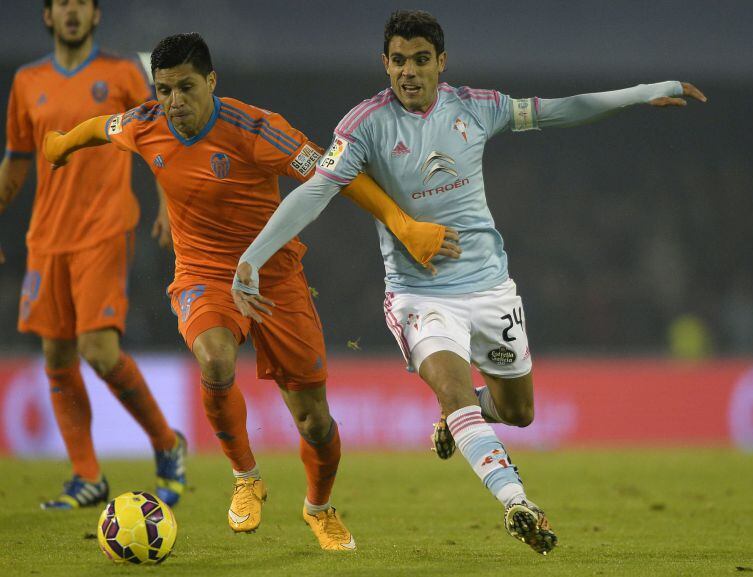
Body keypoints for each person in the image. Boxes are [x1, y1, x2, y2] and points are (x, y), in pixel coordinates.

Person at [230, 9, 707, 555]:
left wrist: (645, 92)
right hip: (418, 294)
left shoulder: (476, 108)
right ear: (384, 64)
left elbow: (559, 111)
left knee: (519, 412)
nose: (408, 71)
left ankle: (464, 416)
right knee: (452, 390)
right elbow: (315, 191)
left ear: (441, 63)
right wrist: (253, 256)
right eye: (398, 61)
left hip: (490, 288)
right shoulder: (364, 125)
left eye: (420, 60)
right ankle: (517, 501)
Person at [42, 32, 457, 550]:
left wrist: (402, 223)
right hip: (202, 275)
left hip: (274, 278)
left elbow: (337, 173)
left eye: (186, 88)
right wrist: (61, 144)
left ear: (212, 82)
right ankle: (246, 477)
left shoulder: (257, 130)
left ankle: (320, 508)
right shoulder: (145, 122)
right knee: (214, 360)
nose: (174, 102)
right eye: (164, 89)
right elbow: (99, 128)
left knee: (315, 423)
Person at [0, 0, 186, 510]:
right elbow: (16, 162)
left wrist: (167, 204)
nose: (72, 12)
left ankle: (167, 443)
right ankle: (87, 477)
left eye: (82, 3)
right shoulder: (26, 81)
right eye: (62, 4)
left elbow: (158, 139)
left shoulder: (123, 72)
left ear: (96, 15)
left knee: (97, 351)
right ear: (48, 16)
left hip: (104, 229)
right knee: (57, 359)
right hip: (47, 237)